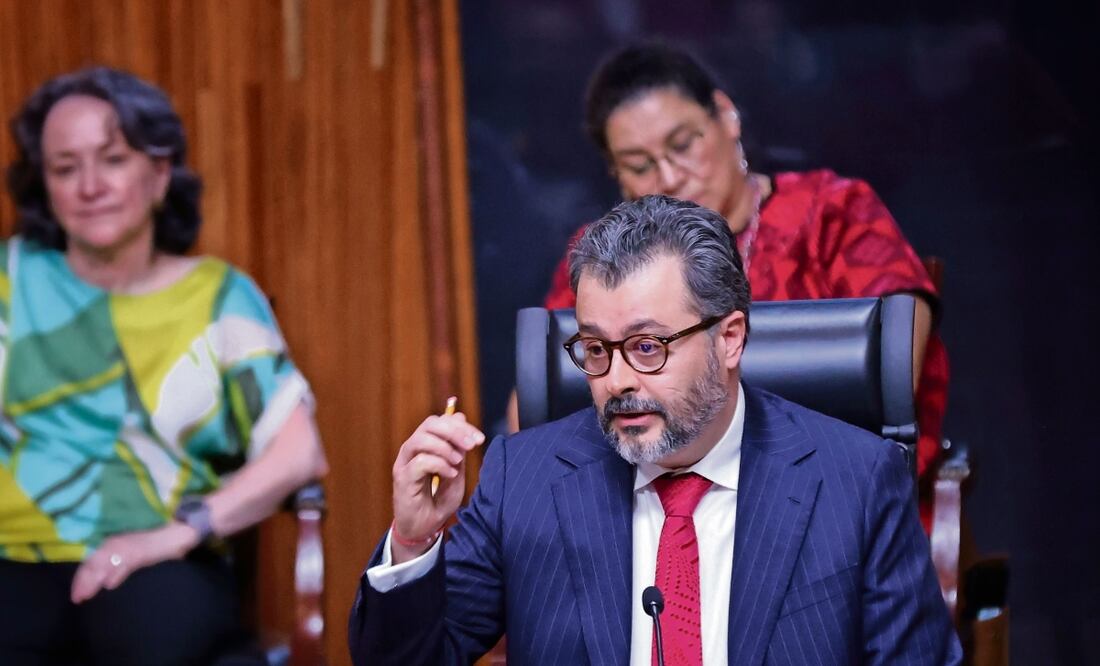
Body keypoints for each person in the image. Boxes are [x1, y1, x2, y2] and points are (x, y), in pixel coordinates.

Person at [349, 195, 960, 664]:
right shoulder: (523, 479)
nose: (615, 380)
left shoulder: (854, 479)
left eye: (646, 347)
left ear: (730, 338)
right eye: (594, 349)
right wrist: (411, 542)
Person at [533, 43, 949, 530]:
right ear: (616, 175)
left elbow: (897, 368)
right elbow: (541, 403)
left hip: (833, 506)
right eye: (640, 166)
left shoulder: (833, 214)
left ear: (726, 117)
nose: (669, 177)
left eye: (683, 144)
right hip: (652, 517)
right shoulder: (605, 259)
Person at [0, 67, 327, 665]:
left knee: (165, 636)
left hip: (160, 555)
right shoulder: (11, 280)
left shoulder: (219, 297)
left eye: (113, 159)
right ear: (44, 186)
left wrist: (174, 535)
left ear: (159, 173)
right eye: (65, 168)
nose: (89, 185)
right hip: (11, 555)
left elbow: (300, 453)